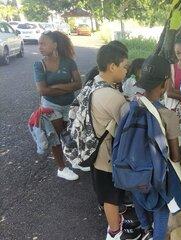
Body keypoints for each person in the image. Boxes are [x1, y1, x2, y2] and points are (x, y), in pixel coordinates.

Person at [90, 44, 140, 240]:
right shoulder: (111, 96)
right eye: (124, 66)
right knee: (110, 196)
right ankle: (114, 232)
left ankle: (115, 225)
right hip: (106, 156)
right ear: (112, 66)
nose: (126, 70)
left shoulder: (96, 83)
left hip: (95, 150)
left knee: (106, 192)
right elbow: (130, 123)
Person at [132, 55, 181, 240]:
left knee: (137, 196)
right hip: (157, 177)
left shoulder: (130, 106)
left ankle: (145, 228)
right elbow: (175, 156)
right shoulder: (168, 115)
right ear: (165, 83)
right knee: (161, 209)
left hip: (134, 170)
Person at [34, 31, 82, 180]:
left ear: (54, 45)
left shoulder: (69, 62)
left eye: (44, 43)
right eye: (39, 43)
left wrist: (54, 87)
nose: (40, 46)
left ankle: (74, 160)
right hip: (51, 106)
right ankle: (61, 168)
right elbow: (42, 90)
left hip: (70, 104)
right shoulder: (39, 65)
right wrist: (67, 85)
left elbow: (78, 84)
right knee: (56, 137)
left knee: (71, 135)